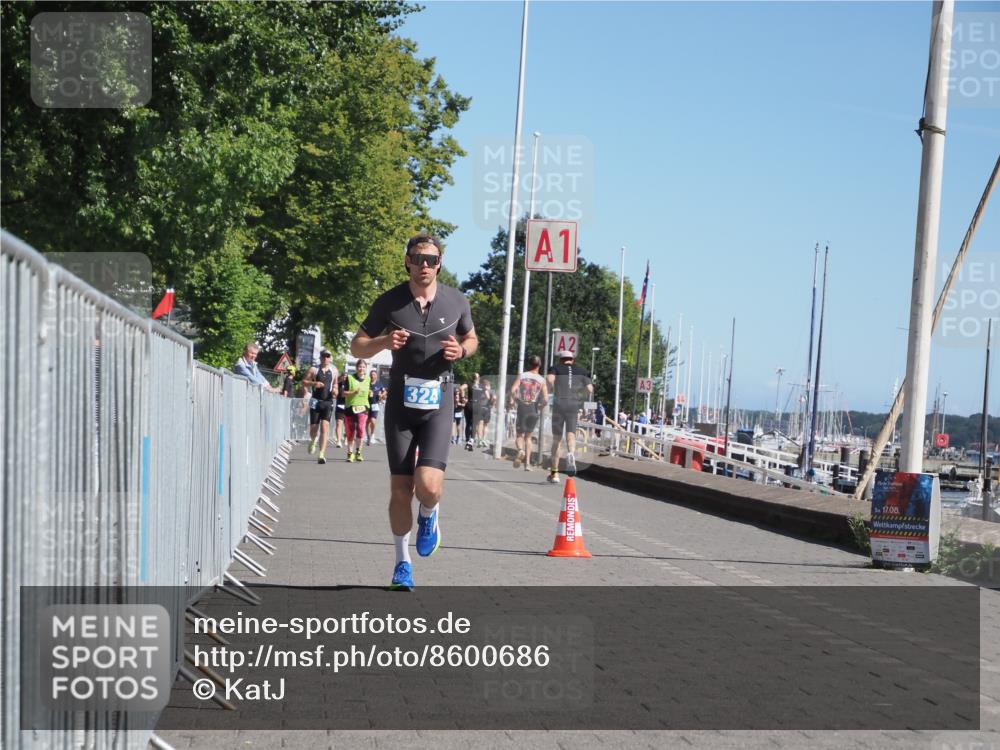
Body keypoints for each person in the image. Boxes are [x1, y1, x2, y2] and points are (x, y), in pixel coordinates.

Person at [350, 233, 477, 591]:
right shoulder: (390, 302)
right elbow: (357, 346)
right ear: (407, 261)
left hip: (439, 401)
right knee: (400, 489)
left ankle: (429, 514)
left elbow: (471, 339)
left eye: (431, 260)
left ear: (439, 264)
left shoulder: (456, 301)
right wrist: (383, 342)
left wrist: (461, 352)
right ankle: (401, 564)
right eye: (418, 258)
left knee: (429, 487)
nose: (425, 265)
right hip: (401, 403)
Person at [546, 349, 593, 484]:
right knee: (571, 434)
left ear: (561, 360)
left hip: (559, 403)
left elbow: (549, 380)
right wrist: (579, 393)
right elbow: (590, 389)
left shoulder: (555, 368)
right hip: (573, 404)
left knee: (557, 439)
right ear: (572, 360)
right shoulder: (581, 371)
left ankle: (554, 474)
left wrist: (551, 390)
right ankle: (571, 454)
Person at [510, 355, 548, 470]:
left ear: (529, 364)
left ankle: (520, 450)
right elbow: (546, 399)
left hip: (522, 407)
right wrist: (540, 407)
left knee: (519, 434)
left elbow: (513, 390)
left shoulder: (522, 376)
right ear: (539, 365)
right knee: (528, 437)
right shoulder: (542, 380)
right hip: (533, 408)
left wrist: (515, 399)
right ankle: (527, 464)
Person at [302, 351, 338, 464]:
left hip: (328, 402)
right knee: (313, 428)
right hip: (315, 401)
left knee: (324, 427)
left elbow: (335, 384)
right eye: (324, 356)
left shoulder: (334, 370)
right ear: (320, 357)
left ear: (330, 358)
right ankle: (313, 440)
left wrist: (335, 390)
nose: (325, 358)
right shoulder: (314, 369)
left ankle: (321, 454)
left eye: (328, 356)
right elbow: (303, 382)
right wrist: (314, 384)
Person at [342, 359, 371, 462]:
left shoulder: (368, 379)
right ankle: (350, 453)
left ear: (366, 368)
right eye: (359, 367)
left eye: (363, 367)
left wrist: (370, 393)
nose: (361, 369)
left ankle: (358, 452)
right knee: (350, 431)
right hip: (350, 407)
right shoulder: (349, 378)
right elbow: (343, 393)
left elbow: (368, 390)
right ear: (356, 368)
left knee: (360, 428)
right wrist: (354, 392)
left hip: (363, 408)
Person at [366, 369, 386, 446]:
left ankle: (372, 435)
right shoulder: (367, 383)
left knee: (373, 420)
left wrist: (381, 395)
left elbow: (385, 391)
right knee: (367, 421)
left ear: (376, 376)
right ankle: (368, 437)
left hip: (375, 404)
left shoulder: (379, 383)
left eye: (374, 375)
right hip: (366, 404)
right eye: (371, 375)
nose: (372, 376)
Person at [476, 378, 495, 448]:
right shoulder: (481, 391)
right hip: (483, 408)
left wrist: (492, 404)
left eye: (487, 385)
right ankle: (481, 439)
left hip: (485, 408)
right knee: (482, 424)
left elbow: (492, 399)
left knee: (484, 424)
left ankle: (482, 439)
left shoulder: (490, 391)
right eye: (486, 385)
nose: (486, 386)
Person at [464, 373, 481, 450]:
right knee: (474, 424)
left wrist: (463, 398)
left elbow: (461, 388)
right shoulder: (481, 386)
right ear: (478, 378)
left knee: (468, 423)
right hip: (477, 405)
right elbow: (487, 395)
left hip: (469, 404)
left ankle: (467, 441)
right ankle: (471, 442)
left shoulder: (469, 384)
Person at [334, 370, 348, 448]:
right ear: (341, 377)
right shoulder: (338, 384)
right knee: (339, 423)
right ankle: (339, 441)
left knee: (347, 424)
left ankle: (346, 437)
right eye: (343, 376)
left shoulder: (349, 385)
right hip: (340, 405)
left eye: (346, 377)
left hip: (348, 406)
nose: (344, 378)